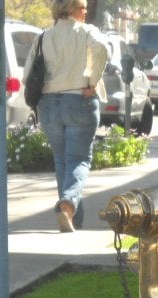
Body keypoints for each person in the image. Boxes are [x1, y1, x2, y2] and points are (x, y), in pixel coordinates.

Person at [23, 0, 109, 232]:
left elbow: (28, 72)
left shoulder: (44, 36)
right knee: (80, 159)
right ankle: (68, 205)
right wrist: (92, 80)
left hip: (48, 103)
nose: (85, 11)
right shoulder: (87, 32)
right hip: (78, 100)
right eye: (82, 7)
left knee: (62, 160)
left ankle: (72, 219)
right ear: (69, 8)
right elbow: (102, 49)